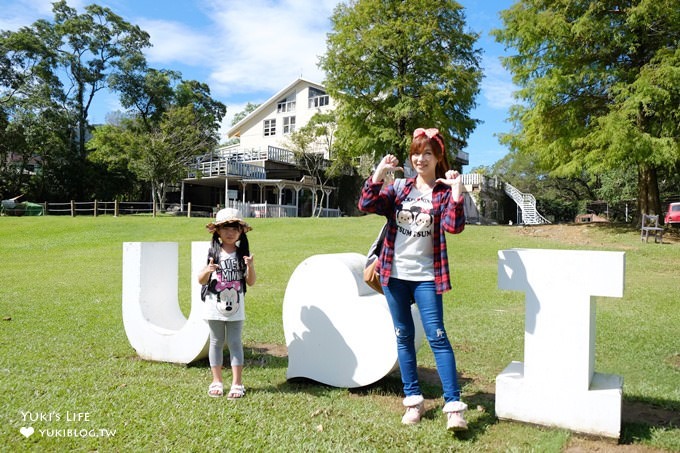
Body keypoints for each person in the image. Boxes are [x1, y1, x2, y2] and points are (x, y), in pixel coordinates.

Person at [358, 127, 468, 431]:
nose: (420, 159)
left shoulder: (444, 192)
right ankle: (413, 401)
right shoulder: (400, 188)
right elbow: (366, 205)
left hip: (427, 277)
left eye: (427, 154)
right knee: (403, 336)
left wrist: (457, 195)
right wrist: (379, 172)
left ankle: (454, 407)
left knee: (437, 337)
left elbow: (453, 226)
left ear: (438, 157)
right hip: (394, 274)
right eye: (416, 153)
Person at [198, 208, 256, 399]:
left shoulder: (242, 255)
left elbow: (250, 281)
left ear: (240, 232)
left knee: (234, 342)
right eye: (225, 228)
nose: (230, 232)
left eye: (235, 228)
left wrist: (250, 267)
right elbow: (201, 280)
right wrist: (208, 269)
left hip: (236, 307)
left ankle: (237, 383)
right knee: (215, 342)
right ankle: (216, 381)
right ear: (217, 231)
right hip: (214, 306)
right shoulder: (212, 253)